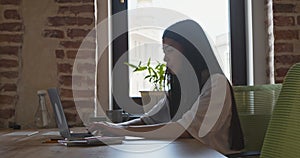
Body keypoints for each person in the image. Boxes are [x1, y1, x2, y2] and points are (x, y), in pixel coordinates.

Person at [88, 19, 244, 154]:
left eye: (169, 50)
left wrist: (118, 130)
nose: (164, 58)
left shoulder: (217, 84)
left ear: (190, 50)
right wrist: (110, 128)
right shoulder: (181, 88)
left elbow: (183, 130)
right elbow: (148, 121)